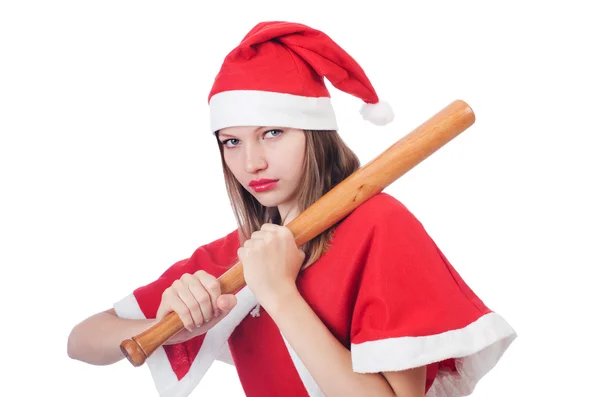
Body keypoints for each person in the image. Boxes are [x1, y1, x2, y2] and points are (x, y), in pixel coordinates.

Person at [67, 21, 517, 397]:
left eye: (273, 133)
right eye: (232, 141)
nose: (252, 162)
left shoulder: (380, 226)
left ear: (314, 132)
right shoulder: (242, 253)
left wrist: (279, 294)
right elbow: (82, 340)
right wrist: (172, 326)